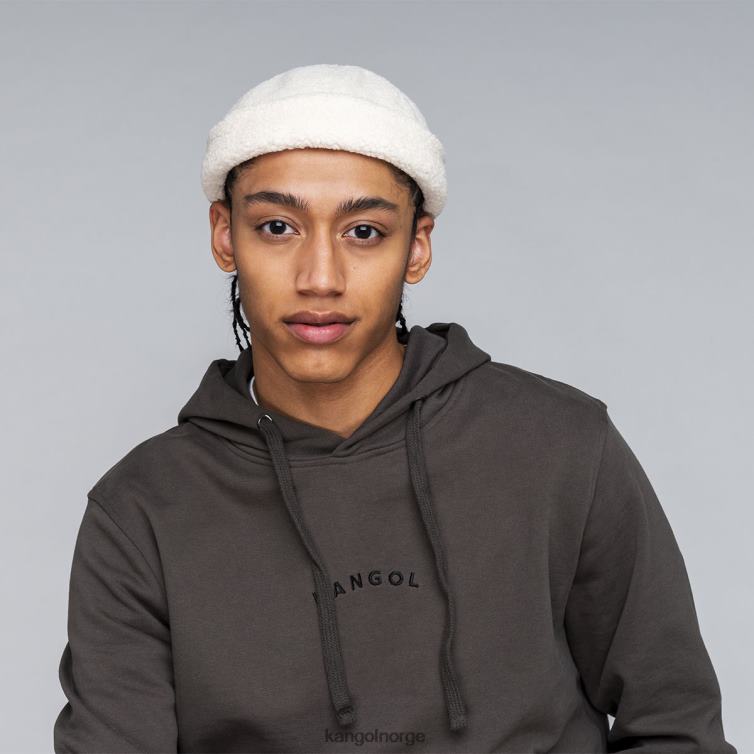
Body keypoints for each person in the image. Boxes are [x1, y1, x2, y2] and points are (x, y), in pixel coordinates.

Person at [53, 63, 736, 753]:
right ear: (225, 236)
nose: (320, 278)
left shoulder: (560, 445)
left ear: (418, 247)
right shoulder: (141, 510)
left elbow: (676, 727)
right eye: (278, 227)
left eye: (364, 232)